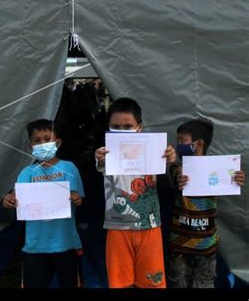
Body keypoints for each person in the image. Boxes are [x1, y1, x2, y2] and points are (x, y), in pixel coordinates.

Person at [94, 97, 176, 288]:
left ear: (139, 127)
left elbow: (171, 169)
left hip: (150, 226)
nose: (122, 131)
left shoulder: (155, 149)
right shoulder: (104, 153)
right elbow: (99, 164)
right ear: (108, 126)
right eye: (116, 126)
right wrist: (99, 160)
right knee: (119, 283)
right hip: (117, 227)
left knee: (152, 283)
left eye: (127, 126)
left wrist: (171, 158)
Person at [2, 119, 85, 288]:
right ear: (30, 146)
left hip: (66, 244)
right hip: (35, 246)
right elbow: (16, 196)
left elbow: (79, 199)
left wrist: (76, 198)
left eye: (47, 139)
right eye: (37, 140)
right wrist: (9, 199)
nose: (43, 143)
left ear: (58, 142)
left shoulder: (69, 168)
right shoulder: (27, 173)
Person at [168, 118, 245, 288]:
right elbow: (175, 173)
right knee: (178, 284)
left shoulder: (219, 169)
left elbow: (230, 179)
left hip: (206, 247)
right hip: (180, 246)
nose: (179, 145)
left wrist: (236, 178)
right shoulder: (177, 169)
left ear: (198, 144)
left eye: (183, 141)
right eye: (178, 141)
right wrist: (180, 176)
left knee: (204, 284)